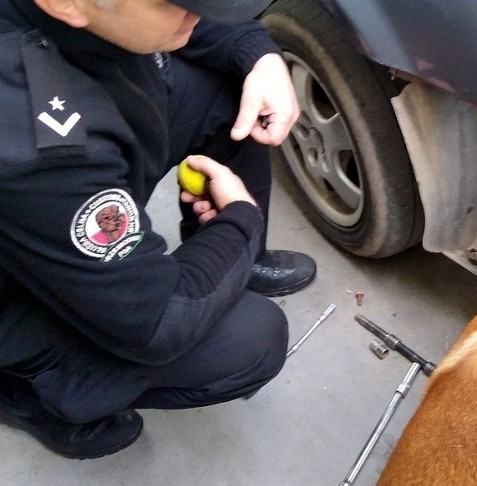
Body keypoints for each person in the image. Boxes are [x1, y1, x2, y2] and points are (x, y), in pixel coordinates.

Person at [0, 0, 316, 458]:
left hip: (91, 109)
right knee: (252, 339)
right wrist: (240, 222)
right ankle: (33, 393)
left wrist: (256, 53)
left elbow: (192, 25)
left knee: (237, 94)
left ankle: (232, 268)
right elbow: (158, 321)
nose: (201, 11)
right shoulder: (36, 147)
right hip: (21, 294)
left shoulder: (85, 14)